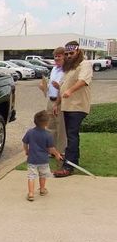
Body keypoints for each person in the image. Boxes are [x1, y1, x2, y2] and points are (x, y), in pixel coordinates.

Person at [53, 40, 93, 177]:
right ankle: (73, 161)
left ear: (78, 51)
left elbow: (83, 81)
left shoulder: (85, 64)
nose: (69, 56)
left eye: (71, 53)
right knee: (72, 135)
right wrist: (56, 103)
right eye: (67, 53)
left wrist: (70, 91)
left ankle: (68, 166)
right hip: (67, 106)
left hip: (78, 106)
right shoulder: (69, 67)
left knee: (71, 135)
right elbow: (62, 87)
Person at [22, 110, 62, 201]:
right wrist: (57, 154)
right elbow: (51, 149)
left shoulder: (30, 132)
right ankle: (42, 189)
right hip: (43, 160)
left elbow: (25, 143)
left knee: (31, 176)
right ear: (46, 123)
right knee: (43, 175)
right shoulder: (48, 135)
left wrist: (27, 151)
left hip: (32, 159)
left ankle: (31, 193)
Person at [38, 47, 67, 154]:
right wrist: (43, 86)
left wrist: (60, 87)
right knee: (50, 126)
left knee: (61, 127)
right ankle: (52, 150)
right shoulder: (54, 69)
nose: (56, 58)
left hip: (61, 102)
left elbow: (67, 87)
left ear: (65, 56)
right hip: (50, 100)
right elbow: (51, 85)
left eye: (59, 56)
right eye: (55, 56)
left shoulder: (67, 70)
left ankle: (61, 151)